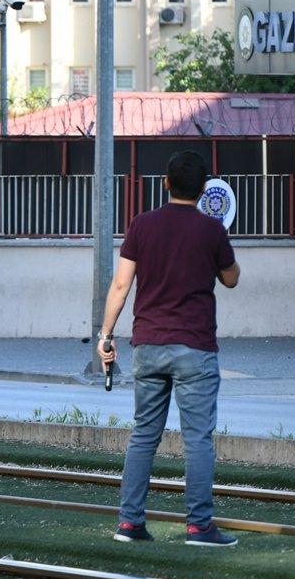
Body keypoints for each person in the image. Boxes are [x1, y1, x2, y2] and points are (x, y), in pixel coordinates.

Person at [97, 150, 242, 547]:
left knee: (144, 434)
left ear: (165, 183)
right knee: (197, 439)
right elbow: (231, 279)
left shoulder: (142, 225)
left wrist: (105, 335)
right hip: (195, 347)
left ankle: (129, 523)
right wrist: (222, 244)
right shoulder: (212, 231)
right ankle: (199, 527)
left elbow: (121, 285)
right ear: (202, 189)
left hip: (148, 345)